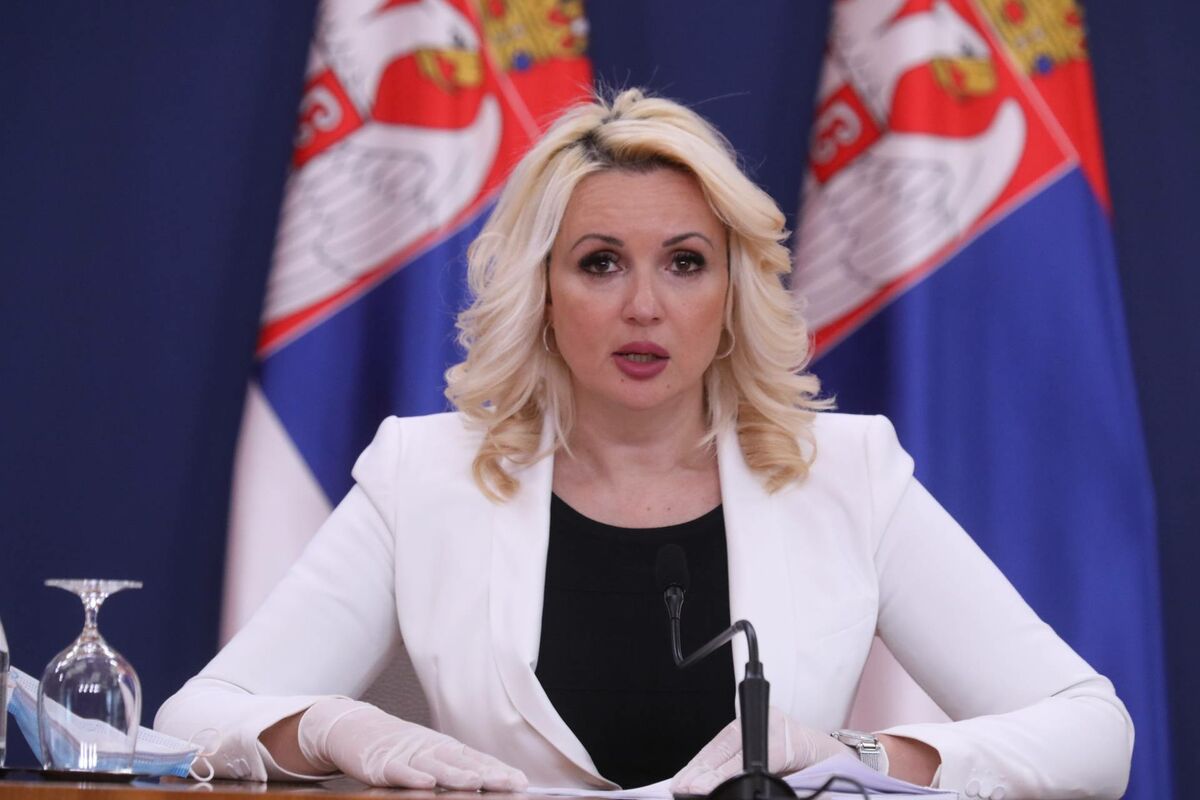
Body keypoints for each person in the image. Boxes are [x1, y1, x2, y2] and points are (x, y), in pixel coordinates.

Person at [156, 89, 1133, 798]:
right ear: (542, 290)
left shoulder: (846, 473)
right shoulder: (425, 473)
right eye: (600, 263)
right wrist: (335, 728)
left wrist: (860, 758)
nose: (644, 306)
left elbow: (1095, 733)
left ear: (731, 291)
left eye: (685, 262)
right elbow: (193, 717)